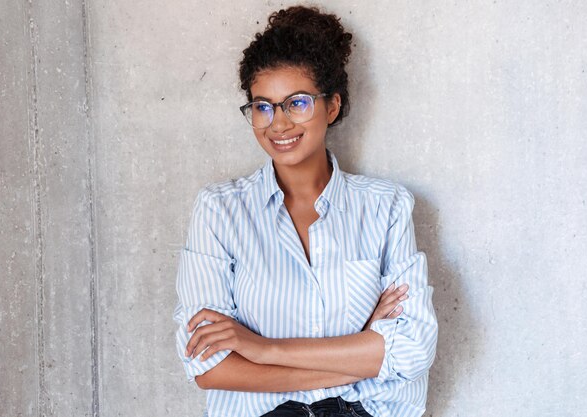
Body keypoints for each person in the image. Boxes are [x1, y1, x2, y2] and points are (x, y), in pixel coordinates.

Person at [173, 5, 438, 417]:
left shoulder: (386, 207)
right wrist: (360, 349)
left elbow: (410, 349)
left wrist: (262, 349)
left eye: (296, 103)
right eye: (262, 106)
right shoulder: (219, 212)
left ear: (331, 106)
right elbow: (207, 364)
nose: (278, 124)